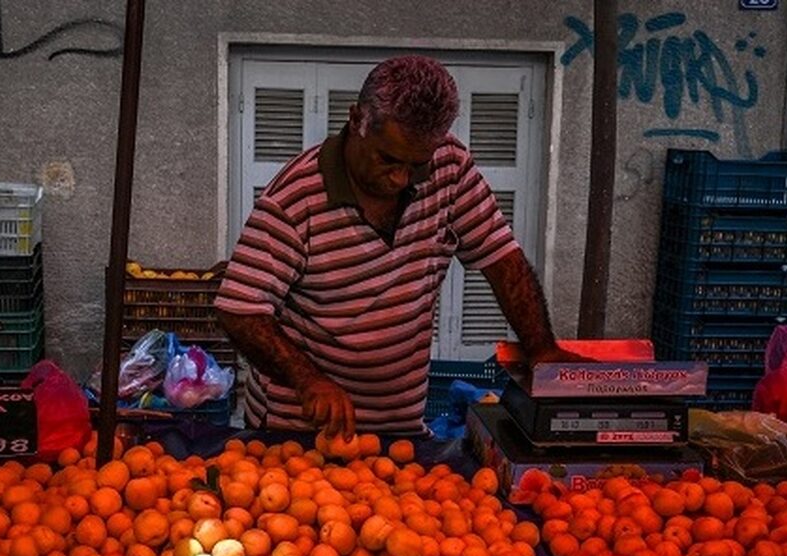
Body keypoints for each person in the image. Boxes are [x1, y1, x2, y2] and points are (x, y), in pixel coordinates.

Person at [216, 55, 581, 439]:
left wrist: (541, 348)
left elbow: (501, 258)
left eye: (416, 165)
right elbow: (239, 310)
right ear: (357, 120)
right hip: (298, 430)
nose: (400, 178)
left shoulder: (449, 166)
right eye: (388, 159)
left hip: (400, 427)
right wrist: (308, 380)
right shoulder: (294, 200)